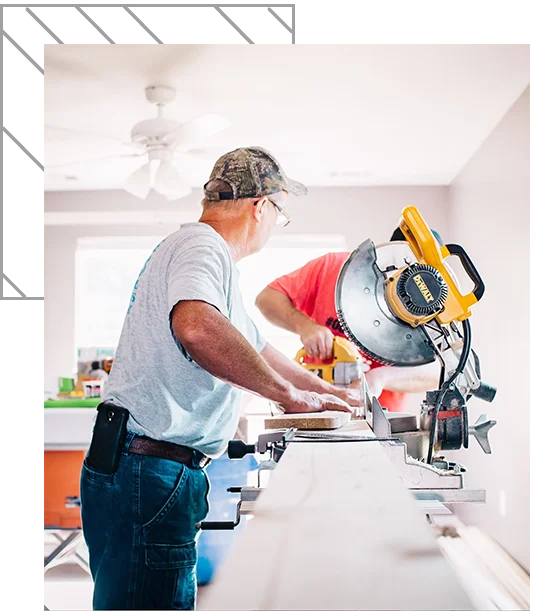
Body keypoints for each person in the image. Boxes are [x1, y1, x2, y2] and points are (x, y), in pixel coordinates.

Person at [79, 147, 363, 611]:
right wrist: (289, 397)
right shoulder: (202, 245)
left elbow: (259, 348)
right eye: (280, 213)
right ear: (261, 207)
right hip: (148, 471)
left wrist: (327, 392)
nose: (274, 224)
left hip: (143, 467)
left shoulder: (209, 262)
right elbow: (195, 326)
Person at [255, 228, 444, 413]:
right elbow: (267, 298)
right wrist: (304, 326)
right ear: (389, 252)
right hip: (314, 406)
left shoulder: (431, 308)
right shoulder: (333, 268)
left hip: (380, 418)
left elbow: (439, 372)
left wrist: (381, 377)